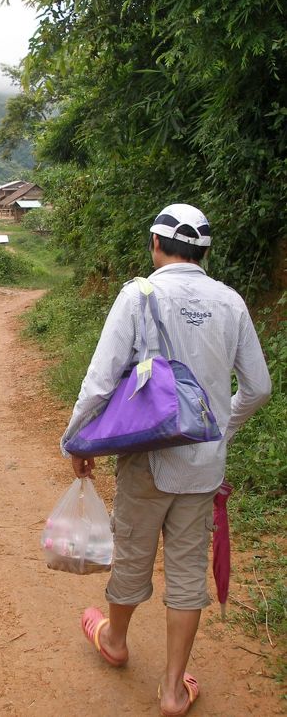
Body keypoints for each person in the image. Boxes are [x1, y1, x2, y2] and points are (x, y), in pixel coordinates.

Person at [60, 203, 272, 717]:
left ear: (156, 244)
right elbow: (259, 388)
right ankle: (174, 690)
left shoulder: (140, 294)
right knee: (187, 572)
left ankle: (115, 641)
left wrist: (76, 440)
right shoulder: (231, 302)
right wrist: (221, 430)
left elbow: (101, 379)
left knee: (133, 554)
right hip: (204, 467)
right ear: (203, 252)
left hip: (147, 459)